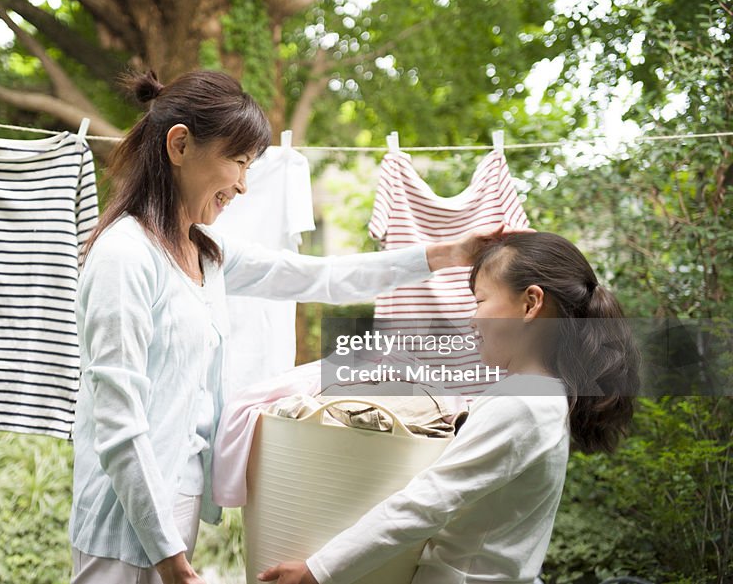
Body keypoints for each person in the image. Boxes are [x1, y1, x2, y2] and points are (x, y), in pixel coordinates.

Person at [68, 69, 520, 584]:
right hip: (123, 519)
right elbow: (118, 420)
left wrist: (447, 254)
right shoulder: (125, 256)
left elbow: (319, 276)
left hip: (178, 502)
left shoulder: (206, 252)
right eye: (237, 162)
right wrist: (168, 556)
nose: (242, 185)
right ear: (179, 145)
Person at [258, 231, 642, 584]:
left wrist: (319, 569)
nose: (472, 318)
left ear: (531, 303)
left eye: (481, 301)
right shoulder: (541, 396)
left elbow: (427, 502)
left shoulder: (523, 403)